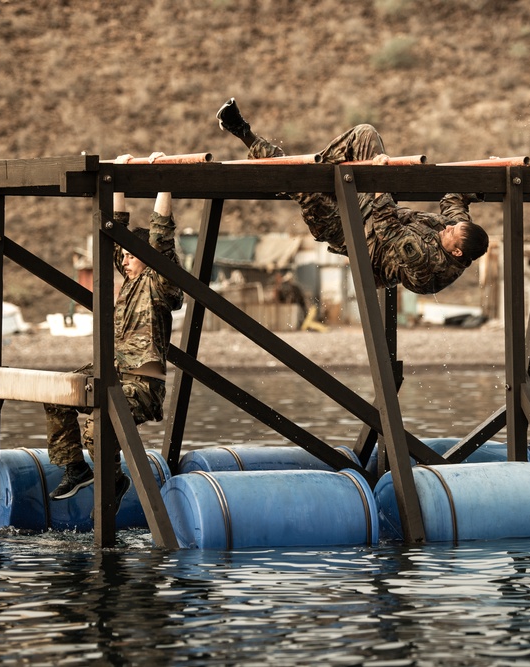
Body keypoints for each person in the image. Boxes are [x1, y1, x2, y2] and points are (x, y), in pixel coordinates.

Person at [215, 98, 489, 295]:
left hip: (353, 235)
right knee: (365, 134)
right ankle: (313, 166)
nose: (448, 226)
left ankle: (244, 133)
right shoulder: (460, 236)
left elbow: (387, 229)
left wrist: (380, 181)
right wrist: (489, 175)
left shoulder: (427, 263)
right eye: (454, 225)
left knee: (303, 183)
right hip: (370, 206)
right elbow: (454, 201)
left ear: (455, 252)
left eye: (452, 231)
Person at [45, 152, 184, 503]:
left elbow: (161, 237)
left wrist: (164, 179)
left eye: (130, 255)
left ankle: (115, 478)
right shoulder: (130, 280)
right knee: (56, 394)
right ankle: (76, 469)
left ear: (145, 257)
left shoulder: (158, 281)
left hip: (142, 380)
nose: (124, 260)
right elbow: (115, 229)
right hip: (114, 371)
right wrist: (116, 177)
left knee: (96, 427)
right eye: (122, 256)